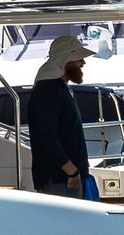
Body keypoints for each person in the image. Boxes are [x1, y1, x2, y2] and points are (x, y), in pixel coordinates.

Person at [24, 34, 95, 199]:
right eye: (79, 59)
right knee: (67, 224)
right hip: (59, 180)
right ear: (66, 61)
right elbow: (46, 136)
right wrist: (71, 171)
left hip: (64, 178)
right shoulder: (48, 91)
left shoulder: (58, 89)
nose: (83, 63)